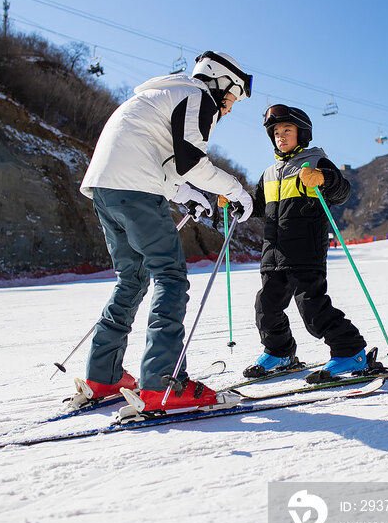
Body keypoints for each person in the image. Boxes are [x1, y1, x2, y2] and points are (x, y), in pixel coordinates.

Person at [70, 51, 253, 416]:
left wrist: (187, 195)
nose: (229, 109)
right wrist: (235, 190)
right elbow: (190, 161)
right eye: (231, 98)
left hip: (104, 190)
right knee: (170, 275)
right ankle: (164, 383)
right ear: (217, 83)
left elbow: (162, 160)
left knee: (132, 278)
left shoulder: (160, 95)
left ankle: (103, 376)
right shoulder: (198, 96)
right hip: (136, 189)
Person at [243, 104, 369, 383]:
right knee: (266, 306)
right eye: (276, 131)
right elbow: (256, 207)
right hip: (273, 252)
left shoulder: (314, 162)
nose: (281, 136)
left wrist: (323, 179)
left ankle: (351, 350)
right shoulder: (269, 173)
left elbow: (342, 191)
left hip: (304, 249)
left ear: (302, 133)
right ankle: (280, 352)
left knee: (312, 306)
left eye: (287, 130)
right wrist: (234, 204)